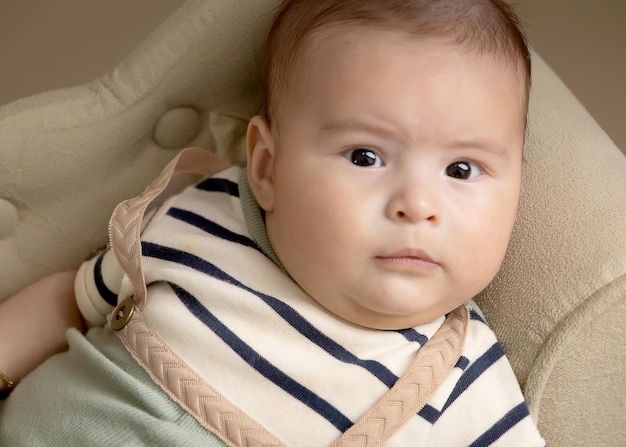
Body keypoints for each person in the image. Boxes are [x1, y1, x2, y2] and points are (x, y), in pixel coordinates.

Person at [0, 0, 546, 445]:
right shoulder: (206, 215)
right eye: (365, 157)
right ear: (266, 166)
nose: (417, 204)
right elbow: (71, 300)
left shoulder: (465, 383)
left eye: (461, 169)